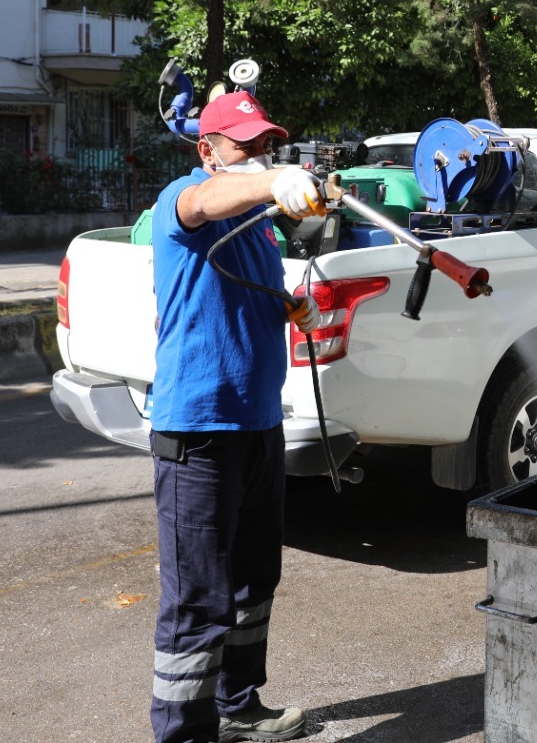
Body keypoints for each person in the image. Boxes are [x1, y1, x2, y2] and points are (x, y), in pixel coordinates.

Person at [147, 90, 326, 743]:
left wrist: (287, 306)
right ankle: (186, 735)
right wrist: (272, 180)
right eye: (244, 146)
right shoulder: (184, 199)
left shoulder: (260, 224)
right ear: (208, 151)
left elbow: (235, 287)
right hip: (197, 434)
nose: (257, 156)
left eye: (266, 147)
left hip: (259, 426)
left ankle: (239, 708)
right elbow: (202, 205)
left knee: (254, 582)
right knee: (198, 603)